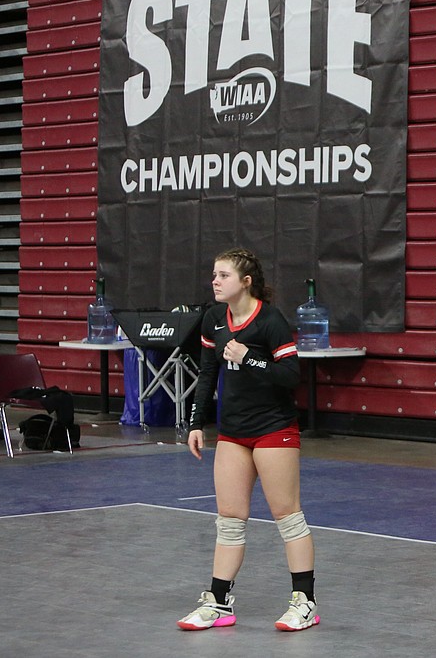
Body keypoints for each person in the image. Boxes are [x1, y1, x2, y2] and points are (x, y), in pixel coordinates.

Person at [177, 248, 320, 632]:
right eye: (214, 275)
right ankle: (219, 604)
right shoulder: (213, 320)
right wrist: (195, 423)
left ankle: (304, 603)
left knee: (288, 518)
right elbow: (207, 374)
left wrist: (248, 358)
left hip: (274, 429)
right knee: (229, 521)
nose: (215, 281)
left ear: (245, 282)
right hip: (233, 433)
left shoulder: (270, 321)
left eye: (223, 275)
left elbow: (291, 375)